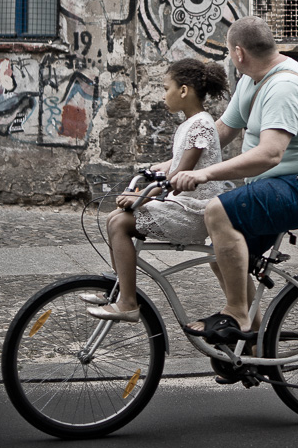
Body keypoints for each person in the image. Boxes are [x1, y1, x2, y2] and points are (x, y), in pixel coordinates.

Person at [171, 16, 298, 343]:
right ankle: (257, 347)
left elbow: (269, 155)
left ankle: (237, 314)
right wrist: (172, 166)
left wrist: (204, 173)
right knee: (222, 257)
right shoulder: (254, 80)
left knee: (217, 211)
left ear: (239, 53)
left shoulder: (284, 86)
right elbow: (220, 131)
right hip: (284, 185)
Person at [87, 58, 229, 322]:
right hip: (183, 206)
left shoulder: (200, 125)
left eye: (166, 88)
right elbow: (173, 165)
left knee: (120, 224)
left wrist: (140, 196)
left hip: (195, 212)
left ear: (184, 90)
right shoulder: (191, 124)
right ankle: (119, 290)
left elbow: (177, 176)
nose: (164, 95)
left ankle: (128, 302)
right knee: (113, 218)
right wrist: (149, 169)